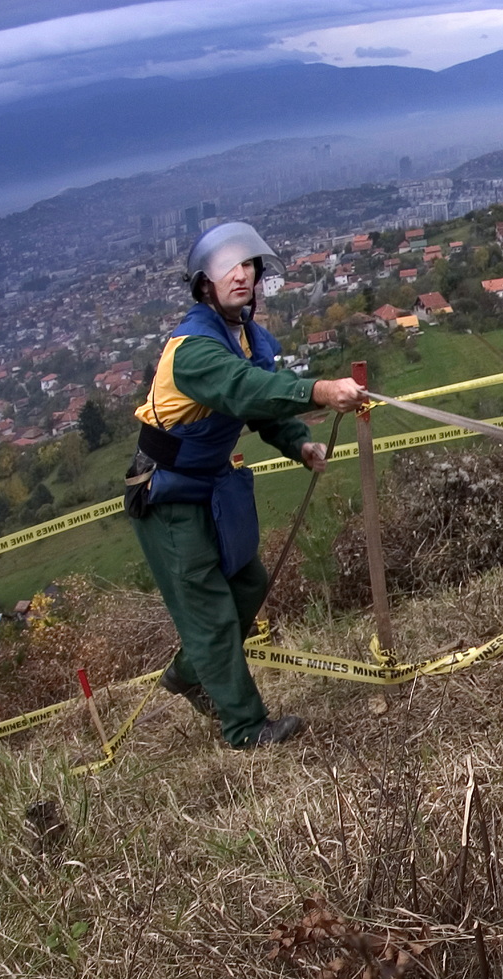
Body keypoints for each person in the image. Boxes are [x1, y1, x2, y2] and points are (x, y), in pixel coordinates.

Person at [127, 221, 369, 748]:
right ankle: (246, 728)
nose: (241, 275)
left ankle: (189, 672)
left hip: (211, 483)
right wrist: (320, 390)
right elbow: (245, 389)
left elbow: (261, 405)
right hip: (167, 493)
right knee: (211, 611)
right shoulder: (193, 350)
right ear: (204, 285)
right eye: (226, 269)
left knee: (248, 583)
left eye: (248, 266)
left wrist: (297, 444)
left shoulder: (243, 335)